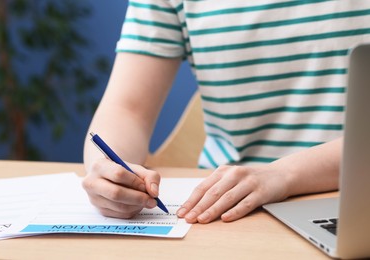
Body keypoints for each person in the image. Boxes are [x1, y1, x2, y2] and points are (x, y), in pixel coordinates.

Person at [82, 1, 370, 223]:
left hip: (351, 199)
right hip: (224, 210)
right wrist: (107, 170)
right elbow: (127, 109)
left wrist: (282, 175)